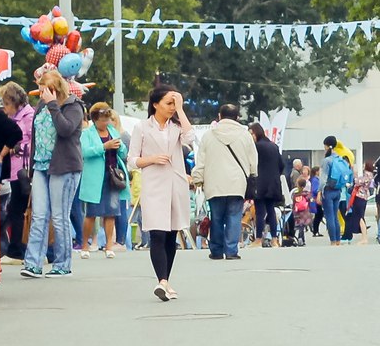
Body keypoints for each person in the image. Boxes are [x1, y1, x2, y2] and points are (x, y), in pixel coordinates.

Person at [133, 85, 194, 301]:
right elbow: (132, 160)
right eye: (168, 103)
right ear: (155, 104)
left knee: (170, 233)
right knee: (156, 232)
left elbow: (190, 139)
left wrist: (181, 110)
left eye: (174, 104)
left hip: (175, 184)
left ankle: (165, 281)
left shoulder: (176, 127)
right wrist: (151, 159)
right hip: (154, 185)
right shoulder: (142, 127)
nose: (171, 108)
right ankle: (162, 281)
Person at [22, 69, 85, 278]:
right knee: (39, 215)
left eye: (44, 91)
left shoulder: (73, 106)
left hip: (64, 167)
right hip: (41, 165)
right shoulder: (41, 107)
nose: (41, 96)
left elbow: (66, 130)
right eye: (40, 91)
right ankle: (33, 263)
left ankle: (63, 263)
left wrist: (53, 106)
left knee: (59, 216)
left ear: (55, 89)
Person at [197, 102, 258, 261]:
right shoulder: (245, 135)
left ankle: (216, 250)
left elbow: (201, 160)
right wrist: (252, 174)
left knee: (216, 217)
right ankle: (231, 250)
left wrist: (198, 179)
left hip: (214, 182)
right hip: (237, 182)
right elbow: (253, 160)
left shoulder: (209, 135)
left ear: (219, 116)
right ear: (237, 117)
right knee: (234, 216)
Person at [78, 103, 129, 255]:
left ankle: (109, 246)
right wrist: (104, 146)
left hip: (112, 175)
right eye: (102, 120)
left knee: (111, 212)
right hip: (95, 178)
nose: (105, 123)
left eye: (107, 120)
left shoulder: (113, 131)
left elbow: (123, 152)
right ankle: (85, 245)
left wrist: (119, 147)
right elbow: (85, 152)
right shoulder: (87, 134)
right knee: (91, 213)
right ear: (94, 120)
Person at [0, 81, 33, 261]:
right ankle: (15, 248)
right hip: (15, 169)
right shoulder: (15, 118)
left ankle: (16, 249)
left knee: (17, 209)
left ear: (15, 101)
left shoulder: (28, 116)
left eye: (6, 104)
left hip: (23, 170)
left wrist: (14, 147)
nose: (5, 108)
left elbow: (30, 141)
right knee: (15, 209)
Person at [251, 124, 286, 247]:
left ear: (256, 133)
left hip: (259, 183)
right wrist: (275, 175)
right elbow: (281, 164)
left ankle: (258, 239)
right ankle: (274, 239)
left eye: (252, 134)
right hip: (273, 184)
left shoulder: (255, 147)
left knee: (260, 212)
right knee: (271, 211)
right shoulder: (273, 146)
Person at [320, 138, 355, 245]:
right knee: (335, 216)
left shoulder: (327, 160)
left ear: (326, 146)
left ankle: (333, 241)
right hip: (338, 190)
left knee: (329, 216)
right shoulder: (341, 159)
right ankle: (338, 240)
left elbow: (323, 178)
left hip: (328, 191)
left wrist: (319, 192)